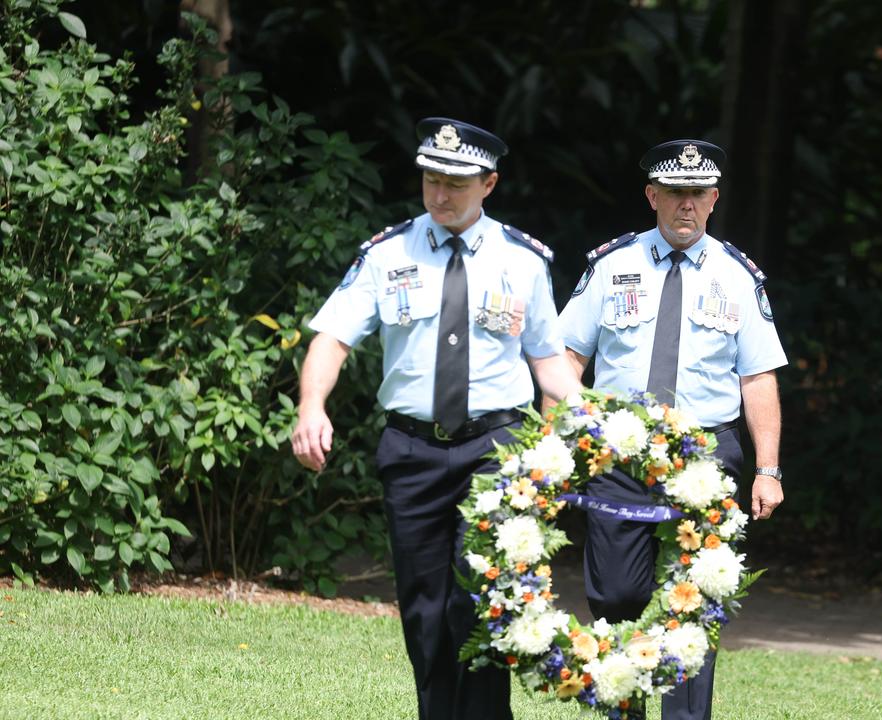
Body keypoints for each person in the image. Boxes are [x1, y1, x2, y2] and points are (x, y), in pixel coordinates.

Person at [290, 117, 580, 720]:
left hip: (494, 452)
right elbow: (332, 339)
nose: (440, 195)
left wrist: (589, 431)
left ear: (489, 183)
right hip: (412, 450)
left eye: (456, 183)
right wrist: (311, 406)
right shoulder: (386, 253)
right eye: (431, 180)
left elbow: (549, 363)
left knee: (479, 603)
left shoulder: (522, 261)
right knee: (424, 607)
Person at [558, 139, 787, 720]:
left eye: (697, 195)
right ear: (652, 196)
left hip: (707, 455)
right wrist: (567, 431)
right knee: (616, 594)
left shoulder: (738, 277)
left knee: (698, 599)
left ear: (713, 200)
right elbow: (566, 358)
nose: (686, 206)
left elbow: (757, 378)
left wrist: (767, 469)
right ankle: (624, 705)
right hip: (619, 453)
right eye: (674, 194)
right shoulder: (612, 267)